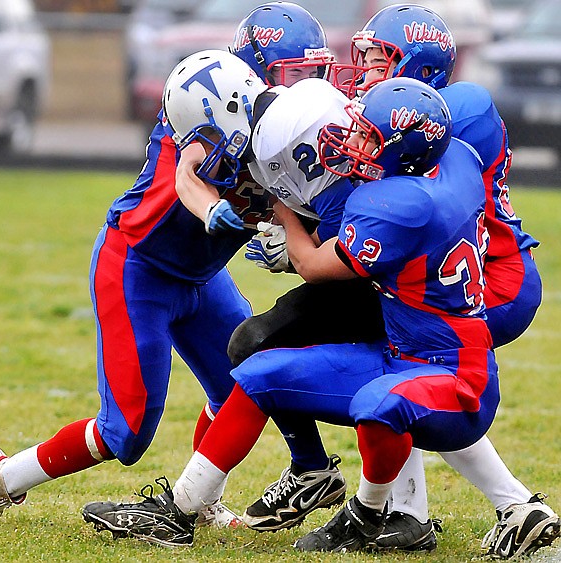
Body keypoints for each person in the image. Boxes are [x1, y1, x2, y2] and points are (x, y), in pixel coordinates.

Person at [83, 76, 505, 555]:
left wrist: (281, 204)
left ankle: (369, 516)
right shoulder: (455, 163)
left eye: (368, 137)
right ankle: (179, 513)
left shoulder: (396, 207)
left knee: (380, 404)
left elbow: (309, 264)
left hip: (448, 370)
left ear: (403, 152)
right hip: (402, 348)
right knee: (258, 371)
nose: (352, 143)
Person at [0, 2, 338, 525]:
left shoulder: (289, 123)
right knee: (127, 432)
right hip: (138, 268)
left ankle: (200, 497)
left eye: (315, 71)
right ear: (253, 72)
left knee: (246, 385)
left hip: (204, 276)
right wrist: (214, 209)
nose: (309, 84)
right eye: (296, 72)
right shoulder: (208, 108)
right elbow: (189, 176)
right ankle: (3, 476)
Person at [230, 4, 556, 558]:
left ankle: (479, 508)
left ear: (420, 68)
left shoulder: (457, 111)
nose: (366, 75)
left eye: (380, 61)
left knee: (412, 374)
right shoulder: (413, 113)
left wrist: (316, 243)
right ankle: (435, 511)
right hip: (452, 265)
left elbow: (405, 212)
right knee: (408, 378)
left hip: (488, 277)